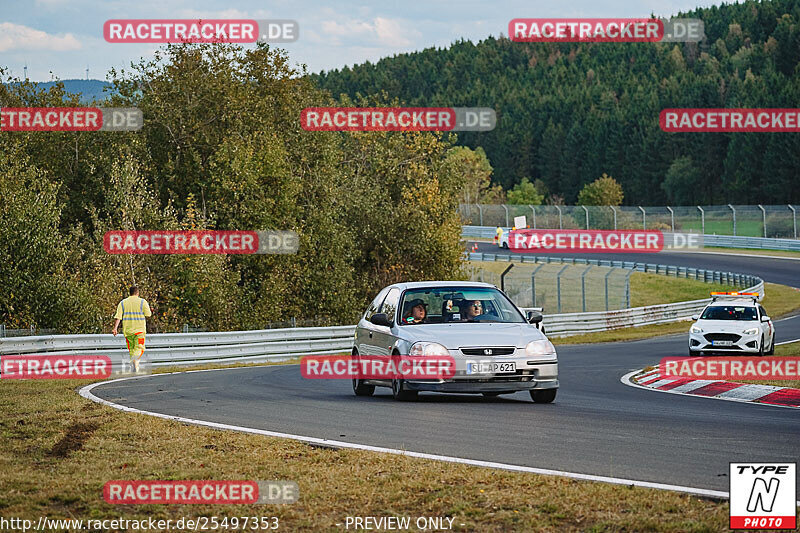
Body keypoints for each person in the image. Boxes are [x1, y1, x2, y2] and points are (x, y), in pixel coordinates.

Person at [112, 286, 152, 373]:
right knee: (139, 348)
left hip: (128, 331)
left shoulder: (123, 303)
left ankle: (134, 368)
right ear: (137, 293)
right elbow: (148, 314)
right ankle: (134, 361)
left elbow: (118, 317)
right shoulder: (142, 302)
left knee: (132, 350)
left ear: (129, 293)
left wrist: (115, 328)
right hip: (139, 330)